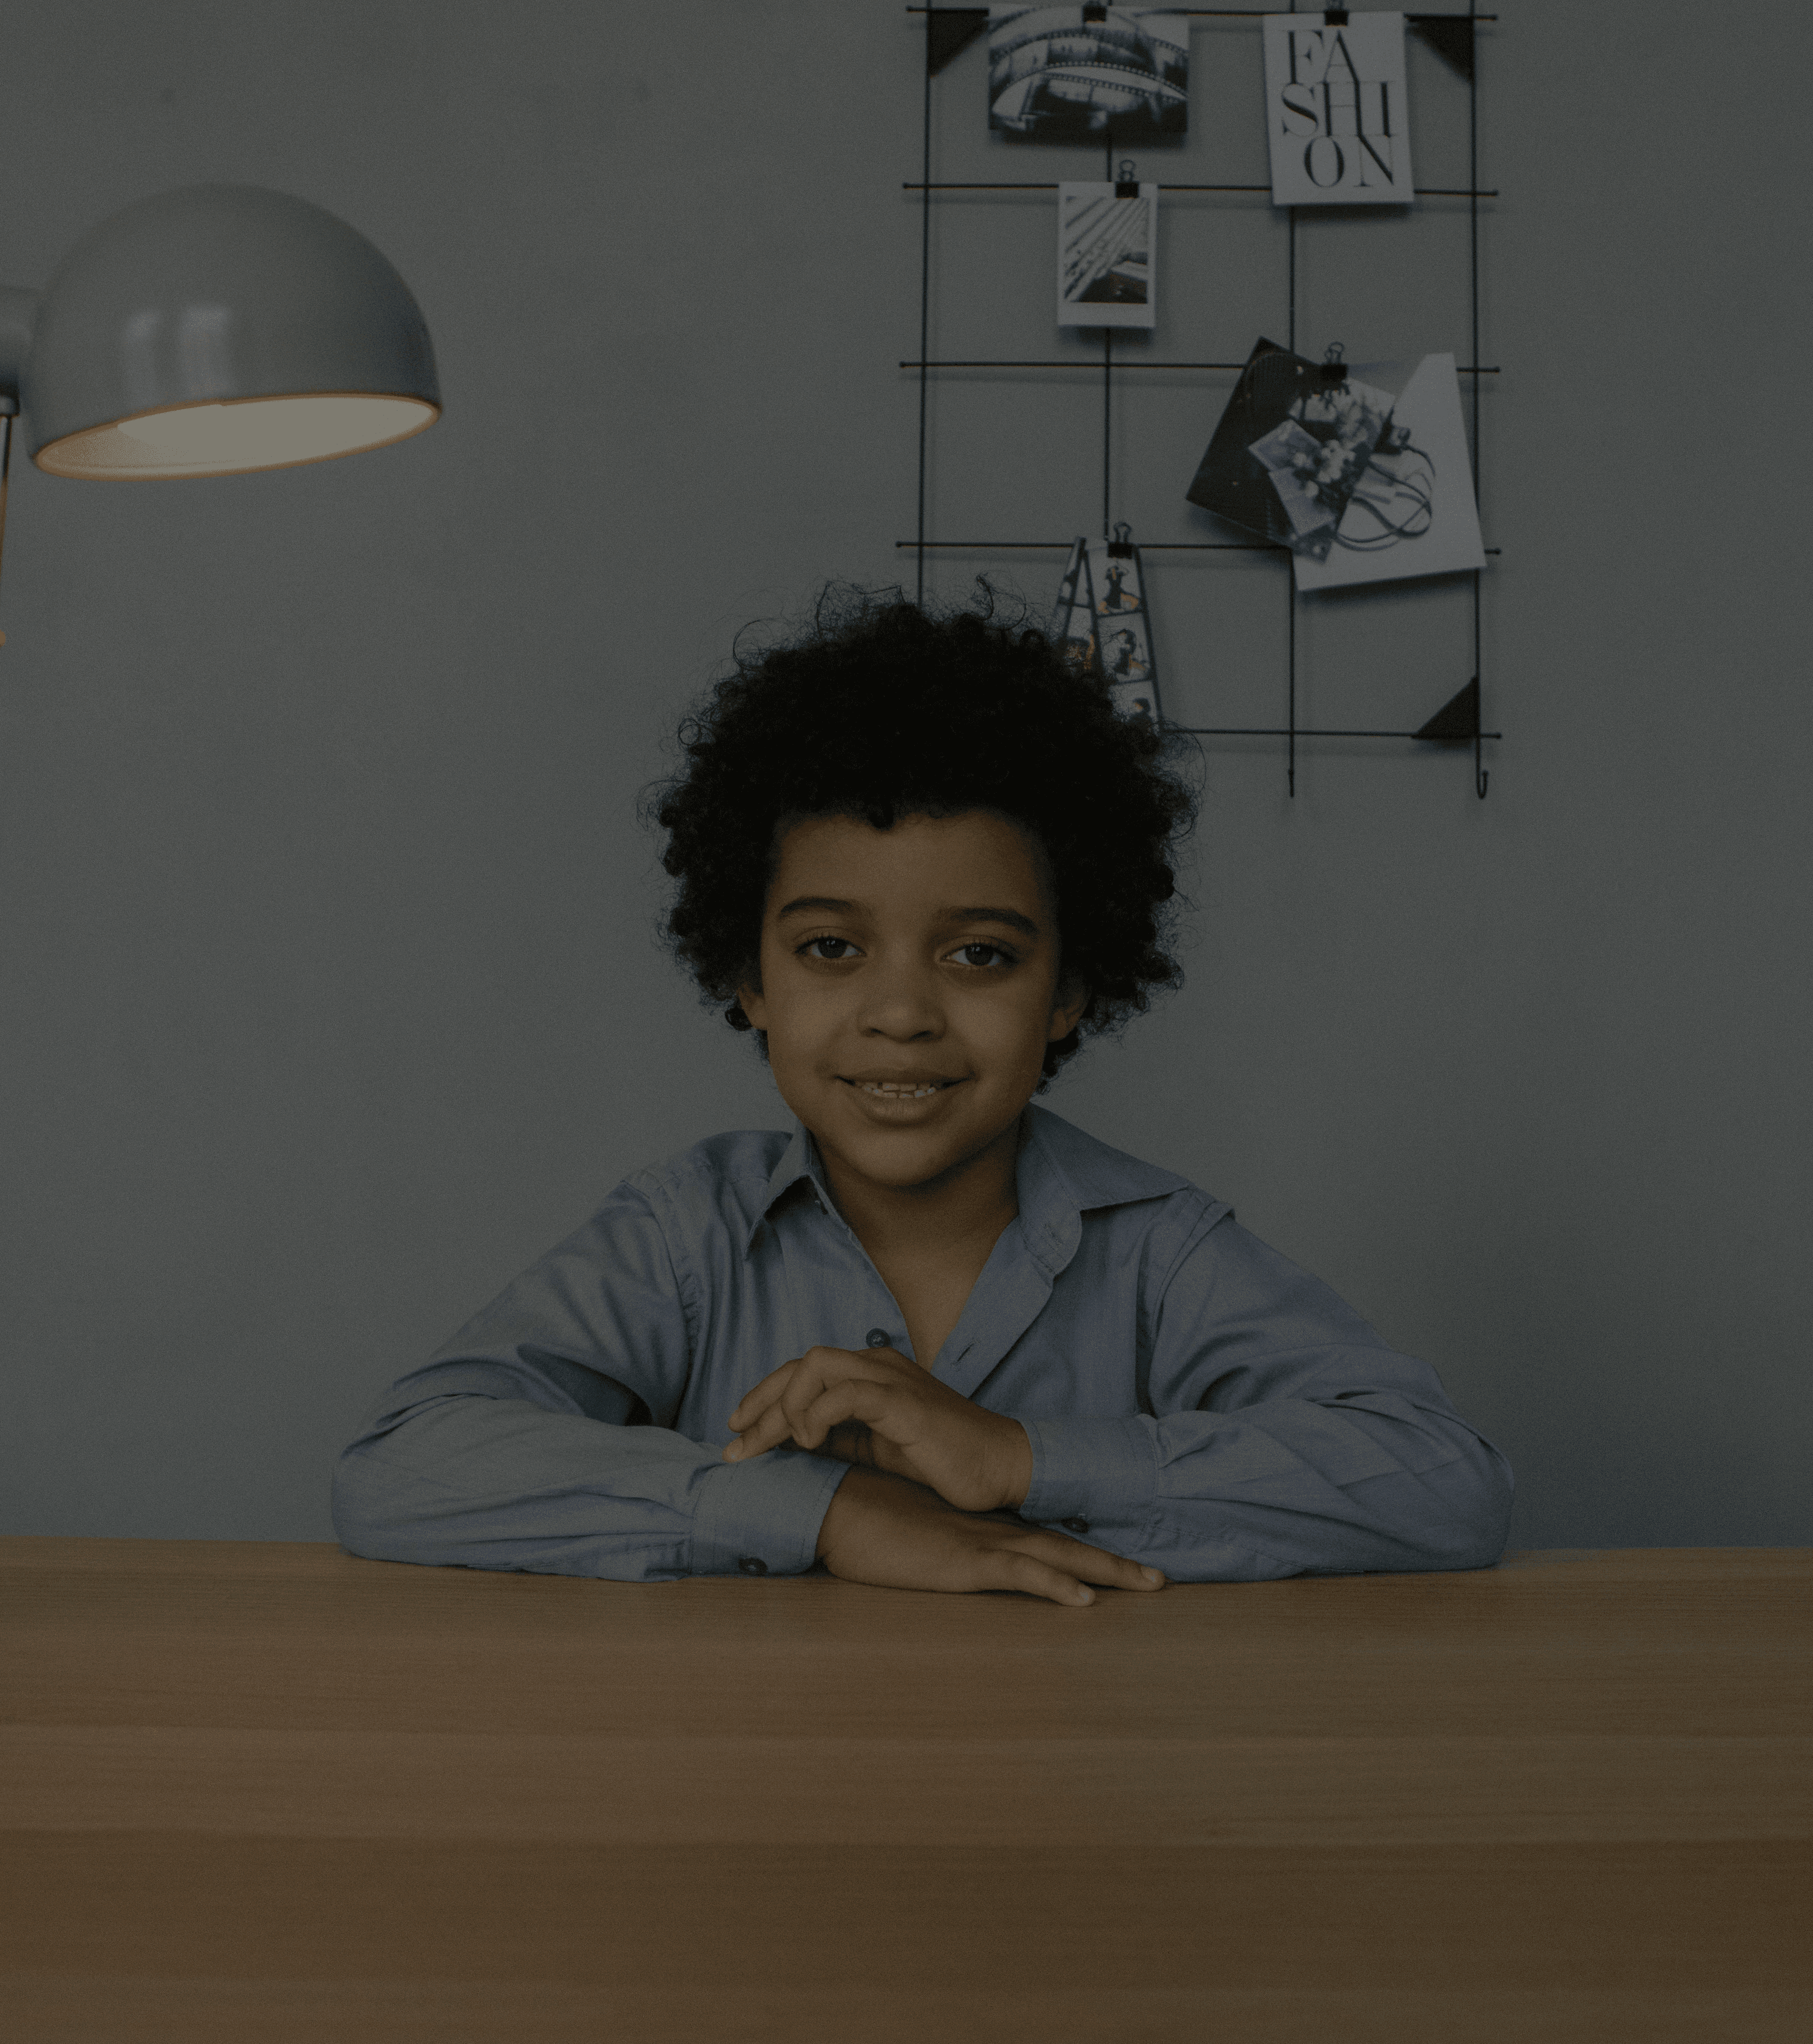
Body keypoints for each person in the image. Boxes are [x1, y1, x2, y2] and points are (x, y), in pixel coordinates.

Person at [332, 587, 1513, 1606]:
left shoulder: (1162, 1254)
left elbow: (1446, 1483)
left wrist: (1018, 1460)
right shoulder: (685, 1237)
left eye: (980, 955)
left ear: (1070, 989)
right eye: (831, 949)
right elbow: (405, 1462)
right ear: (750, 978)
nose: (901, 1013)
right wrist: (828, 1511)